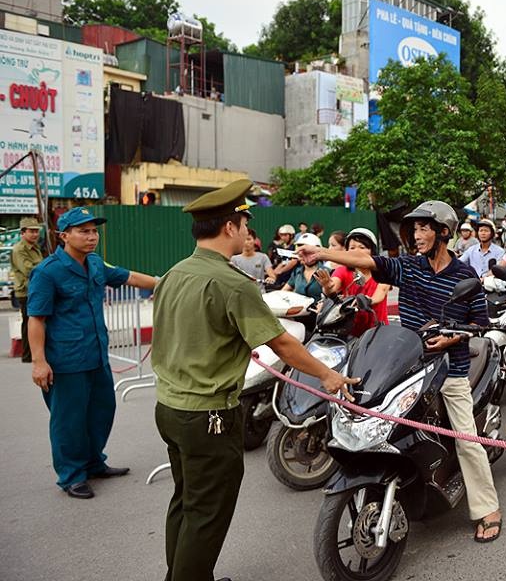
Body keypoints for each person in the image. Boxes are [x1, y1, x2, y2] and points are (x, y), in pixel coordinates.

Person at [151, 180, 357, 580]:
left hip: (170, 409)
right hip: (208, 416)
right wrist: (328, 376)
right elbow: (282, 342)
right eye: (244, 222)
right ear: (230, 227)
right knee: (207, 513)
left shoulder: (176, 272)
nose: (248, 230)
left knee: (186, 502)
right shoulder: (230, 282)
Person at [297, 200, 503, 543]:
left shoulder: (465, 276)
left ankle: (487, 508)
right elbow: (368, 260)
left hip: (451, 369)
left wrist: (450, 338)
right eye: (415, 229)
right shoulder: (408, 266)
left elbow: (478, 324)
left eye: (424, 228)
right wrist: (323, 254)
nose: (417, 235)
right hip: (410, 364)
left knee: (466, 440)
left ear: (443, 233)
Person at [27, 207, 157, 499]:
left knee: (101, 411)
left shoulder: (95, 264)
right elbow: (35, 319)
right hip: (66, 360)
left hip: (97, 354)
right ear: (64, 235)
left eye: (94, 231)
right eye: (83, 231)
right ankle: (72, 475)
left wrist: (165, 284)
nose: (91, 236)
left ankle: (94, 462)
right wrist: (39, 362)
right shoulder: (48, 272)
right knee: (69, 419)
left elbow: (129, 277)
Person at [315, 227, 390, 336]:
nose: (356, 252)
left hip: (377, 330)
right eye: (352, 248)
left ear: (372, 251)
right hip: (348, 331)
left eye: (362, 247)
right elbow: (333, 286)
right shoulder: (342, 270)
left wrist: (368, 300)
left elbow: (381, 292)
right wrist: (327, 287)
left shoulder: (383, 271)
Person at [12, 217, 44, 363]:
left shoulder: (35, 246)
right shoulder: (20, 249)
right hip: (26, 290)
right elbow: (28, 269)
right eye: (31, 231)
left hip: (36, 289)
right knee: (29, 322)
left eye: (36, 231)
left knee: (36, 321)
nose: (35, 234)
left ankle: (33, 353)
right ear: (22, 233)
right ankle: (28, 355)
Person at [230, 227, 276, 292]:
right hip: (240, 293)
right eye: (244, 239)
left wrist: (271, 278)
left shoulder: (263, 257)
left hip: (260, 293)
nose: (246, 242)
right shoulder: (234, 259)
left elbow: (272, 275)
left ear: (254, 240)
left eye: (249, 239)